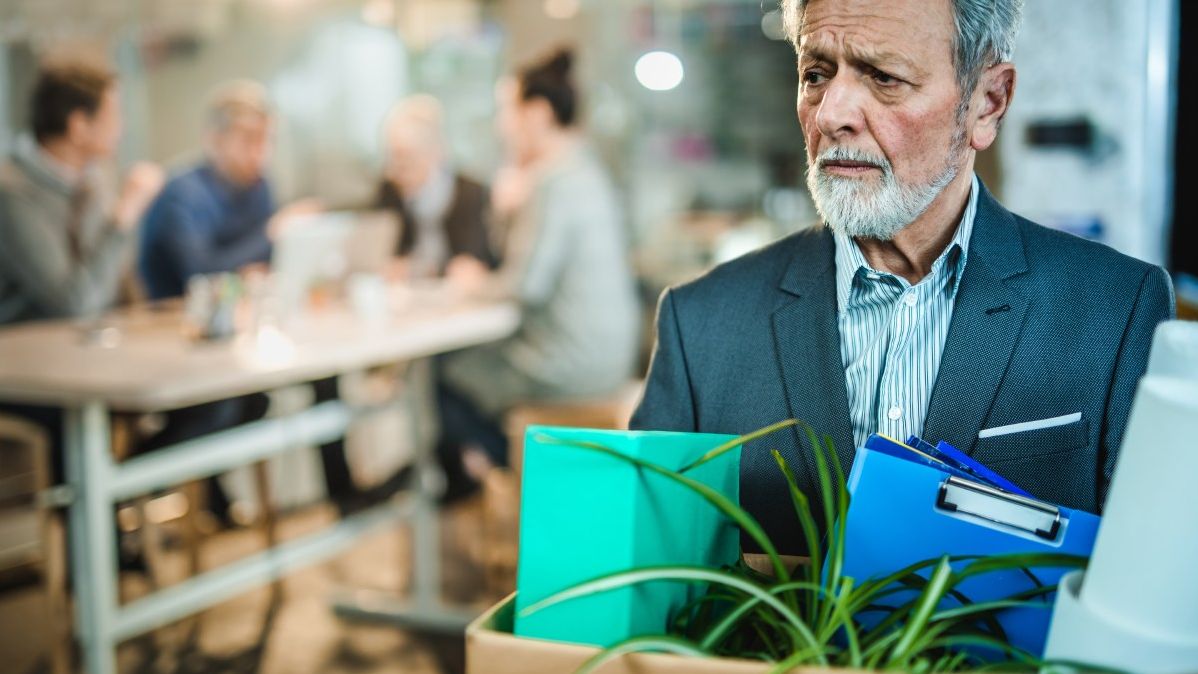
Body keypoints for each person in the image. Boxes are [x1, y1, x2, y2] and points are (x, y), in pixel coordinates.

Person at [630, 0, 1175, 554]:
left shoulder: (1116, 313)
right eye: (816, 75)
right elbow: (639, 591)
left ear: (987, 103)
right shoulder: (699, 326)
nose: (830, 114)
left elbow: (1148, 579)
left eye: (884, 77)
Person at [137, 81, 373, 518]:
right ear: (215, 138)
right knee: (228, 405)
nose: (259, 152)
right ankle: (127, 490)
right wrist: (268, 235)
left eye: (266, 140)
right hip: (178, 342)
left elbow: (265, 266)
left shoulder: (260, 187)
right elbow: (200, 273)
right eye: (249, 139)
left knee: (321, 374)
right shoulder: (181, 193)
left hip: (244, 334)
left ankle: (343, 495)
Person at [436, 49, 641, 497]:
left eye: (506, 110)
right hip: (608, 360)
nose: (501, 125)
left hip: (566, 365)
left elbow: (524, 285)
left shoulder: (553, 181)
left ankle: (509, 484)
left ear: (538, 113)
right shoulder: (587, 171)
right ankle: (509, 477)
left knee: (442, 373)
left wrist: (471, 282)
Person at [0, 60, 163, 476]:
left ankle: (124, 519)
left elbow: (113, 283)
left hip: (89, 359)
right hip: (28, 377)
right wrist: (124, 215)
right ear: (78, 125)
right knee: (95, 430)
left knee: (212, 402)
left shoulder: (90, 182)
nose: (121, 128)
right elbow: (72, 302)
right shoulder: (12, 193)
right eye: (113, 116)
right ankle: (102, 529)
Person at [374, 95, 495, 277]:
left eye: (405, 158)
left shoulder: (471, 194)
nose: (395, 170)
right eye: (392, 158)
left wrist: (418, 269)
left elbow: (472, 264)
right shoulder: (390, 191)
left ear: (434, 153)